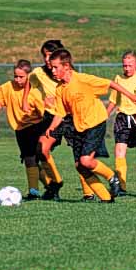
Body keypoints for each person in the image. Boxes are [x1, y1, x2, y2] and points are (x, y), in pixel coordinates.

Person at [47, 48, 136, 203]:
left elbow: (110, 83)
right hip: (79, 128)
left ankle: (112, 177)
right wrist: (51, 127)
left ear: (66, 66)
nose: (52, 70)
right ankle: (106, 198)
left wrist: (131, 96)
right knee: (80, 166)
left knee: (85, 161)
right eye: (51, 67)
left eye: (55, 67)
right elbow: (60, 112)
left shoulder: (83, 79)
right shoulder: (60, 89)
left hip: (95, 122)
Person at [22, 40, 93, 201]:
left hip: (71, 118)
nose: (47, 60)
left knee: (79, 157)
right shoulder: (38, 72)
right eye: (44, 56)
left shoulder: (69, 74)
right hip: (51, 118)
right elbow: (29, 82)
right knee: (41, 149)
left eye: (49, 56)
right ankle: (55, 183)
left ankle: (88, 193)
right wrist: (25, 100)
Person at [0, 60, 46, 199]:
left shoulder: (34, 92)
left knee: (32, 158)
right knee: (29, 159)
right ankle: (49, 185)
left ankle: (34, 190)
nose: (17, 79)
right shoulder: (8, 86)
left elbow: (44, 114)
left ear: (29, 76)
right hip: (20, 129)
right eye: (15, 76)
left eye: (21, 77)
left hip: (35, 126)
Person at [106, 50, 136, 196]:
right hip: (122, 118)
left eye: (130, 65)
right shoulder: (118, 78)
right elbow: (113, 101)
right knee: (119, 152)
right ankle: (121, 187)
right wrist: (104, 115)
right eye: (125, 66)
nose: (127, 68)